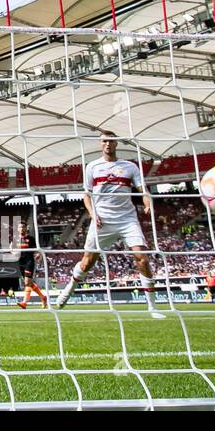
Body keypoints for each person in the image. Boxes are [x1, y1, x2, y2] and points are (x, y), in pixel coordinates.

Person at [53, 131, 165, 319]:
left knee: (142, 259)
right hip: (102, 220)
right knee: (88, 262)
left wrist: (147, 202)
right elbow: (86, 195)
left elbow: (142, 189)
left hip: (127, 219)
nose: (107, 144)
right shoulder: (92, 167)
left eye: (111, 141)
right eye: (104, 141)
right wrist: (92, 213)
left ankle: (153, 307)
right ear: (100, 144)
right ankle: (69, 289)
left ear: (116, 144)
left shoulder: (130, 167)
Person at [15, 219, 47, 309]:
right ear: (17, 229)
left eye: (23, 227)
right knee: (29, 283)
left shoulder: (31, 239)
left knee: (27, 283)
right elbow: (12, 249)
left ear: (26, 229)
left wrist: (38, 254)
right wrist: (12, 252)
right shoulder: (16, 239)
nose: (21, 229)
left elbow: (38, 249)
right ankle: (43, 297)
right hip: (20, 262)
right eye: (20, 227)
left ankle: (25, 302)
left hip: (29, 261)